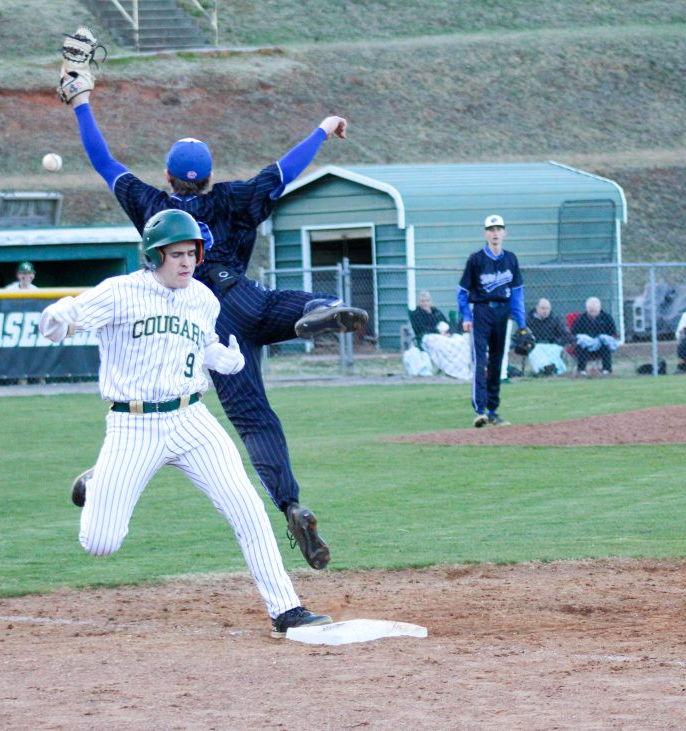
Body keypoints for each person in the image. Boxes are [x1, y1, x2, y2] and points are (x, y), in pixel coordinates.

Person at [61, 58, 369, 571]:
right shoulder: (236, 198)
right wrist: (322, 129)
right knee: (287, 307)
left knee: (242, 419)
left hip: (195, 327)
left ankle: (285, 500)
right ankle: (321, 312)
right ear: (208, 176)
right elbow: (285, 171)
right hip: (244, 301)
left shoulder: (155, 208)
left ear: (169, 176)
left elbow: (104, 161)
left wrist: (82, 104)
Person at [40, 209, 332, 638]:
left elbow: (204, 344)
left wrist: (225, 359)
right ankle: (100, 479)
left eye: (191, 253)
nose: (186, 262)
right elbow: (58, 323)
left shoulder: (203, 298)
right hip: (133, 425)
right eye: (175, 254)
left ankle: (285, 610)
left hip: (192, 419)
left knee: (246, 507)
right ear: (154, 256)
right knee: (101, 543)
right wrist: (60, 316)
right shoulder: (120, 292)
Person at [457, 214, 527, 427]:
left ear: (504, 233)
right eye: (491, 229)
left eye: (499, 229)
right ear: (485, 233)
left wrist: (522, 325)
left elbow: (517, 294)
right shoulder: (476, 259)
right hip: (482, 311)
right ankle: (480, 411)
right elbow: (462, 292)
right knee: (481, 360)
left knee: (497, 361)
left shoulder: (511, 259)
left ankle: (493, 410)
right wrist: (466, 316)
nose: (495, 233)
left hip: (502, 312)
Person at [411, 292, 473, 381]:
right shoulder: (417, 314)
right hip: (428, 337)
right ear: (419, 302)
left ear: (430, 302)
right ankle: (450, 369)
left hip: (443, 334)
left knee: (459, 341)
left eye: (427, 301)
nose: (425, 303)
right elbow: (420, 328)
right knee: (443, 345)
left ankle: (460, 368)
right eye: (422, 301)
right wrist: (437, 331)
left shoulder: (436, 312)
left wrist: (447, 332)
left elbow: (446, 323)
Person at [571, 297, 619, 375]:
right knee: (581, 345)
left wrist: (601, 338)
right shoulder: (580, 319)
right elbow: (574, 333)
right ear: (586, 308)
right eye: (590, 310)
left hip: (601, 345)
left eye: (594, 310)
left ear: (599, 308)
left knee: (606, 346)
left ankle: (607, 370)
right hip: (586, 345)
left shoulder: (607, 318)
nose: (592, 312)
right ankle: (581, 370)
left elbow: (612, 333)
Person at [525, 297, 571, 376]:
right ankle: (545, 368)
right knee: (535, 351)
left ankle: (551, 369)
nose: (545, 311)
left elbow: (566, 335)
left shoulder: (555, 320)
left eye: (547, 308)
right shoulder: (529, 320)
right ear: (537, 308)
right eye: (543, 308)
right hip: (536, 346)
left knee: (553, 352)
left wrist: (557, 341)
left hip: (552, 345)